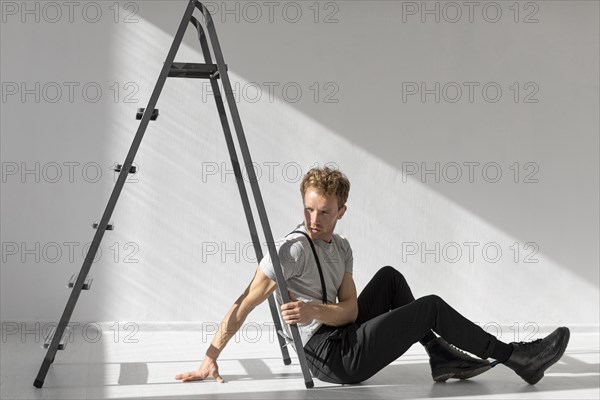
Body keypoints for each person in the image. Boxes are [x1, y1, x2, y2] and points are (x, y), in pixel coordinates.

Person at [175, 166, 570, 385]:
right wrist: (210, 357)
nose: (314, 220)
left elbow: (348, 312)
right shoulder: (290, 251)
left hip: (339, 332)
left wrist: (316, 308)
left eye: (325, 212)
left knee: (390, 278)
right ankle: (516, 357)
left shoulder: (342, 248)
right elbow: (242, 304)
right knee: (430, 307)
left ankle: (441, 357)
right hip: (329, 359)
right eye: (309, 210)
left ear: (341, 211)